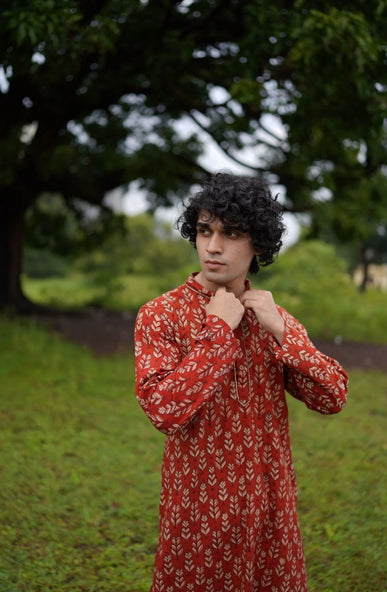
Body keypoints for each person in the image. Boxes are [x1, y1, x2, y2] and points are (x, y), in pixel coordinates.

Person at [134, 172, 348, 592]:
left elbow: (333, 396)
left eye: (231, 233)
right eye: (204, 231)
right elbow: (164, 410)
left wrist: (285, 333)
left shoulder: (270, 317)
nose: (213, 246)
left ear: (259, 245)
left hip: (270, 507)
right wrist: (216, 331)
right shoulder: (160, 315)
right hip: (199, 510)